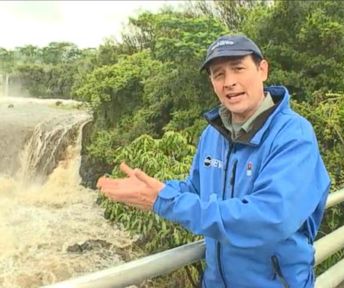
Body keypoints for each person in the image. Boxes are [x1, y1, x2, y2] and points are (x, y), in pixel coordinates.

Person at [97, 34, 331, 288]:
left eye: (238, 69)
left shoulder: (293, 135)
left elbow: (271, 217)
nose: (229, 82)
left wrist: (164, 201)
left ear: (262, 69)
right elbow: (197, 189)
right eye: (218, 74)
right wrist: (154, 190)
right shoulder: (213, 134)